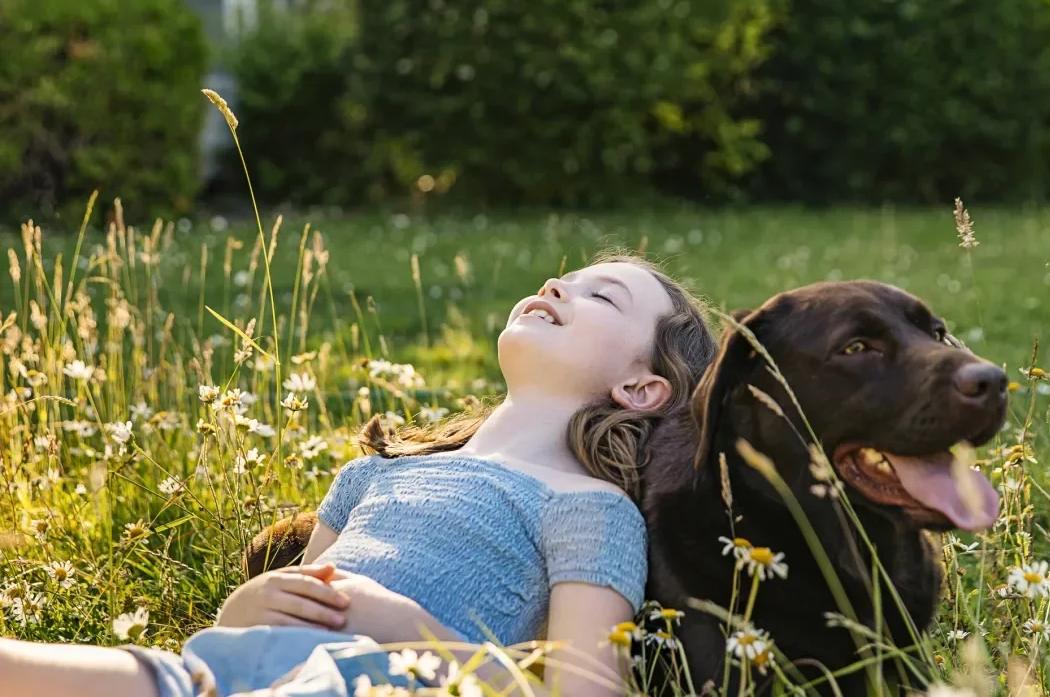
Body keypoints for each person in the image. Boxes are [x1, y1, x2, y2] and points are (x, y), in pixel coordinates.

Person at [0, 251, 718, 697]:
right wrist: (240, 608)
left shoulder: (588, 508)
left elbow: (584, 691)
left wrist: (413, 634)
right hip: (223, 672)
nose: (559, 283)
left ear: (642, 388)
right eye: (571, 276)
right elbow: (286, 607)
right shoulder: (375, 476)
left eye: (602, 297)